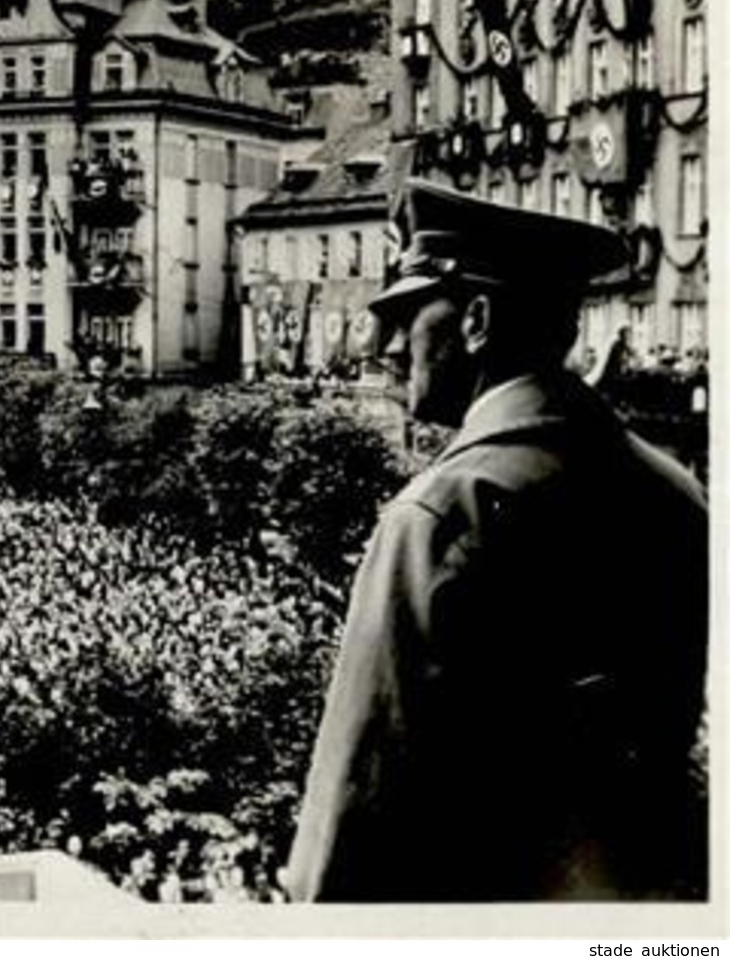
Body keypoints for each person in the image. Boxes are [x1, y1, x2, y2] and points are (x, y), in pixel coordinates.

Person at [284, 179, 708, 902]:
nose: (385, 344)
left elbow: (349, 827)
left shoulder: (443, 514)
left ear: (476, 319)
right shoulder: (674, 493)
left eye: (409, 313)